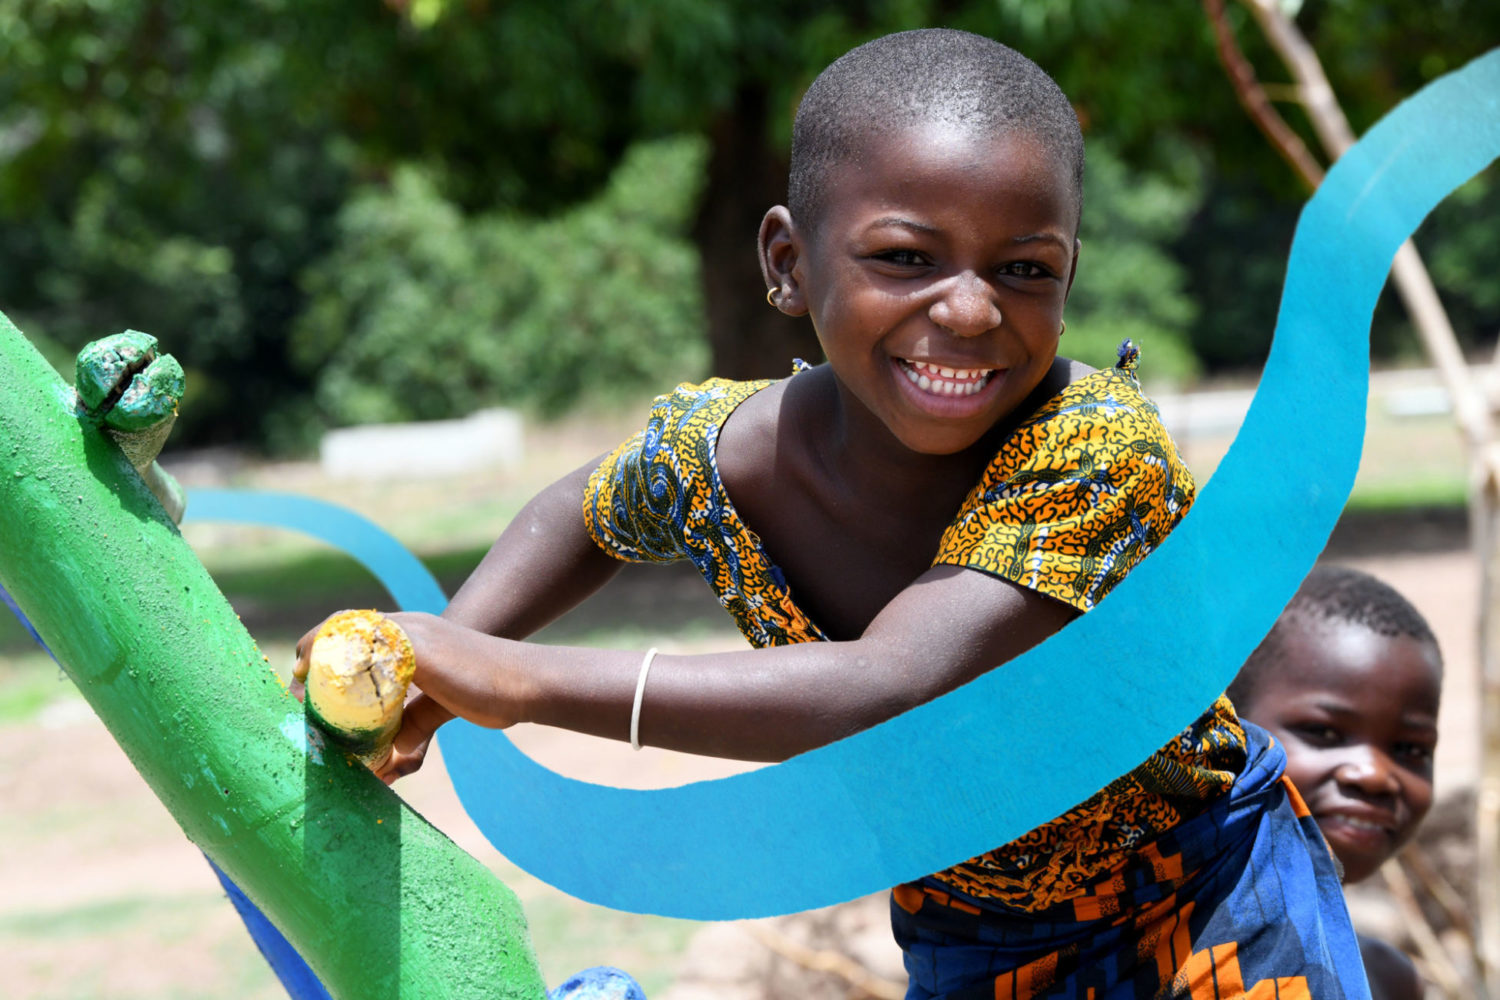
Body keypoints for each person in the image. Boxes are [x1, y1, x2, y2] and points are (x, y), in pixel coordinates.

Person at [297, 29, 1370, 998]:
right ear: (787, 263)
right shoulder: (719, 456)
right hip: (972, 937)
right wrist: (442, 658)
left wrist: (516, 682)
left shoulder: (1093, 448)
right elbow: (580, 508)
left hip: (1211, 900)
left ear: (1070, 275)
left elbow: (888, 688)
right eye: (905, 257)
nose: (967, 307)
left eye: (1024, 269)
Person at [1229, 566, 1443, 1000]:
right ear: (1226, 727)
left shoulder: (1387, 980)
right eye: (1324, 733)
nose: (1375, 775)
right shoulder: (1140, 960)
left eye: (1410, 750)